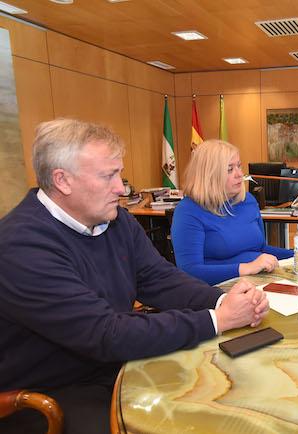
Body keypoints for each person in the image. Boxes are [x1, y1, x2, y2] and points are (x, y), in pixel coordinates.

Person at [0, 119, 269, 434]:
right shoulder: (22, 246)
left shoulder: (115, 220)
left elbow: (160, 279)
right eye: (109, 176)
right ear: (63, 180)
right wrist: (217, 319)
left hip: (117, 364)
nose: (121, 188)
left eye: (119, 173)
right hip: (55, 390)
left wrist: (224, 299)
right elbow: (105, 333)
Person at [171, 140, 293, 286]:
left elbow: (260, 249)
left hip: (260, 282)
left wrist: (297, 255)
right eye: (230, 169)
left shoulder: (248, 201)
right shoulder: (188, 211)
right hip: (219, 292)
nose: (239, 174)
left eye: (239, 166)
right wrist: (246, 268)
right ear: (210, 175)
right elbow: (190, 271)